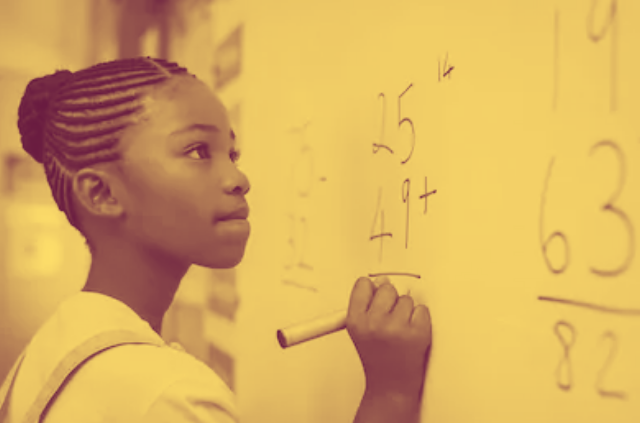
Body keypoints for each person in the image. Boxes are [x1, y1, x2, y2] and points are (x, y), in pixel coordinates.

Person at [0, 57, 432, 423]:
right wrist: (389, 394)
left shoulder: (46, 352)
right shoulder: (168, 398)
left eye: (232, 153)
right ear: (102, 194)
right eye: (197, 152)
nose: (238, 179)